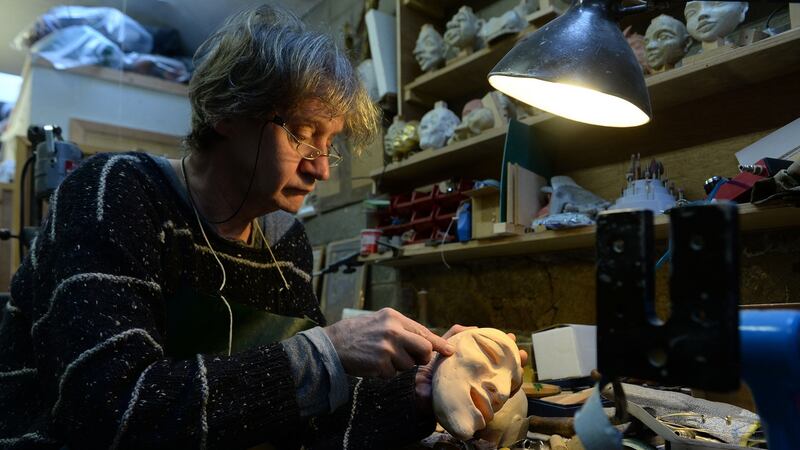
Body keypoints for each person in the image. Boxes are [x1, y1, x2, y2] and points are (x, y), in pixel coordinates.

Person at [0, 5, 529, 449]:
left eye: (330, 144)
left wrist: (420, 389)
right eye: (302, 134)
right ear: (227, 111)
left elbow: (304, 421)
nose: (321, 167)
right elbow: (111, 413)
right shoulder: (115, 193)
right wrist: (327, 349)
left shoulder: (283, 244)